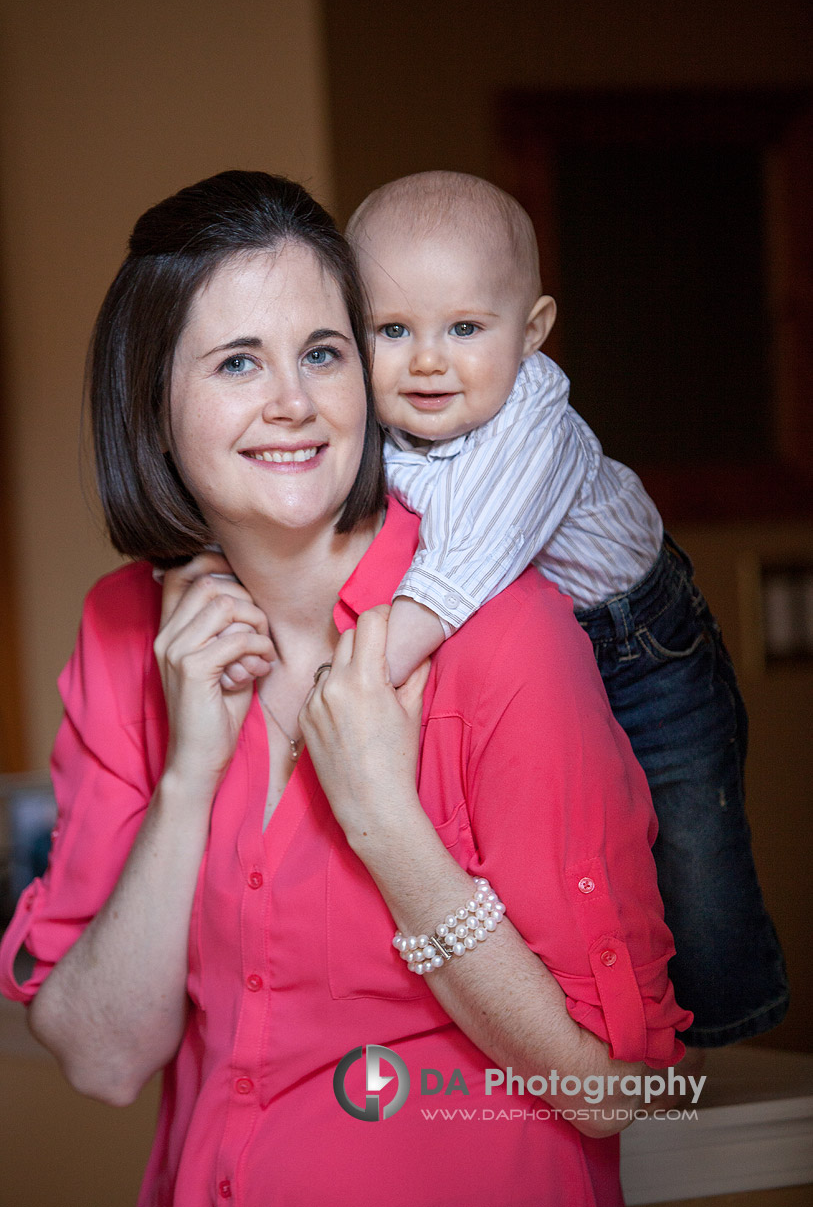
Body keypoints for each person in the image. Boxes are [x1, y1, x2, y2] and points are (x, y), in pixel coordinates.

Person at [0, 170, 691, 1207]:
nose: (295, 401)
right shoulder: (123, 635)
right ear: (150, 397)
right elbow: (103, 1058)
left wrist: (384, 821)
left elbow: (615, 1090)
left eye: (323, 351)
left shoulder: (503, 635)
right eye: (239, 361)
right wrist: (189, 775)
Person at [346, 170, 789, 1051]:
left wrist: (357, 675)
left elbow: (459, 567)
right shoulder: (385, 418)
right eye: (392, 331)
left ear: (532, 332)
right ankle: (590, 1019)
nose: (427, 359)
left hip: (644, 639)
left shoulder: (529, 420)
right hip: (553, 646)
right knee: (576, 849)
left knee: (691, 833)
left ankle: (727, 1035)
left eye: (465, 328)